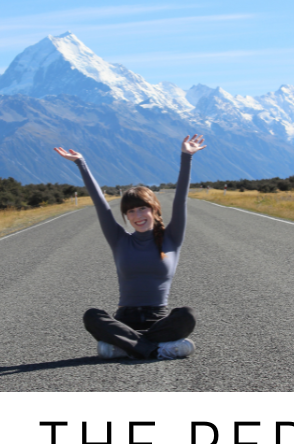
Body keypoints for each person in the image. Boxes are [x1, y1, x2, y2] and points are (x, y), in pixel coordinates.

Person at [53, 135, 206, 359]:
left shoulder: (171, 238)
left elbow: (181, 199)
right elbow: (101, 205)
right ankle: (156, 349)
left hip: (159, 320)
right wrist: (80, 162)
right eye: (131, 211)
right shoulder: (119, 239)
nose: (137, 216)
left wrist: (186, 157)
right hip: (124, 320)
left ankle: (125, 347)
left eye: (142, 208)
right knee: (92, 316)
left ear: (154, 209)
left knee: (187, 315)